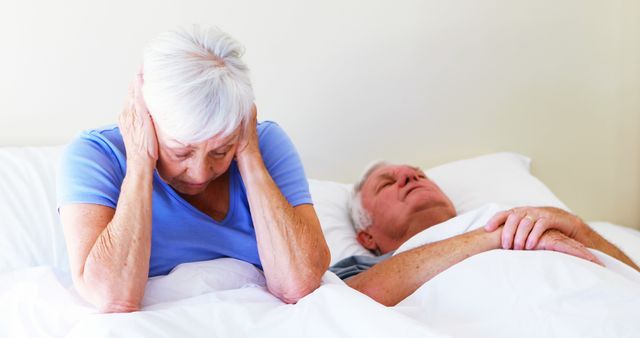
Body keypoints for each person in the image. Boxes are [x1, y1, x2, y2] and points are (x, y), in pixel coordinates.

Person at [57, 26, 330, 313]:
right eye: (181, 151)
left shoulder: (265, 144)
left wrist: (248, 155)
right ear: (147, 119)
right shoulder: (95, 155)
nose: (200, 173)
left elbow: (299, 284)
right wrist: (140, 161)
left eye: (220, 151)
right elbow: (112, 297)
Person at [330, 161, 639, 306]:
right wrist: (493, 236)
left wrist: (577, 227)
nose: (410, 175)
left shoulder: (522, 215)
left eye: (419, 174)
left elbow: (633, 275)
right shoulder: (361, 270)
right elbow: (346, 302)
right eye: (387, 183)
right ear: (367, 237)